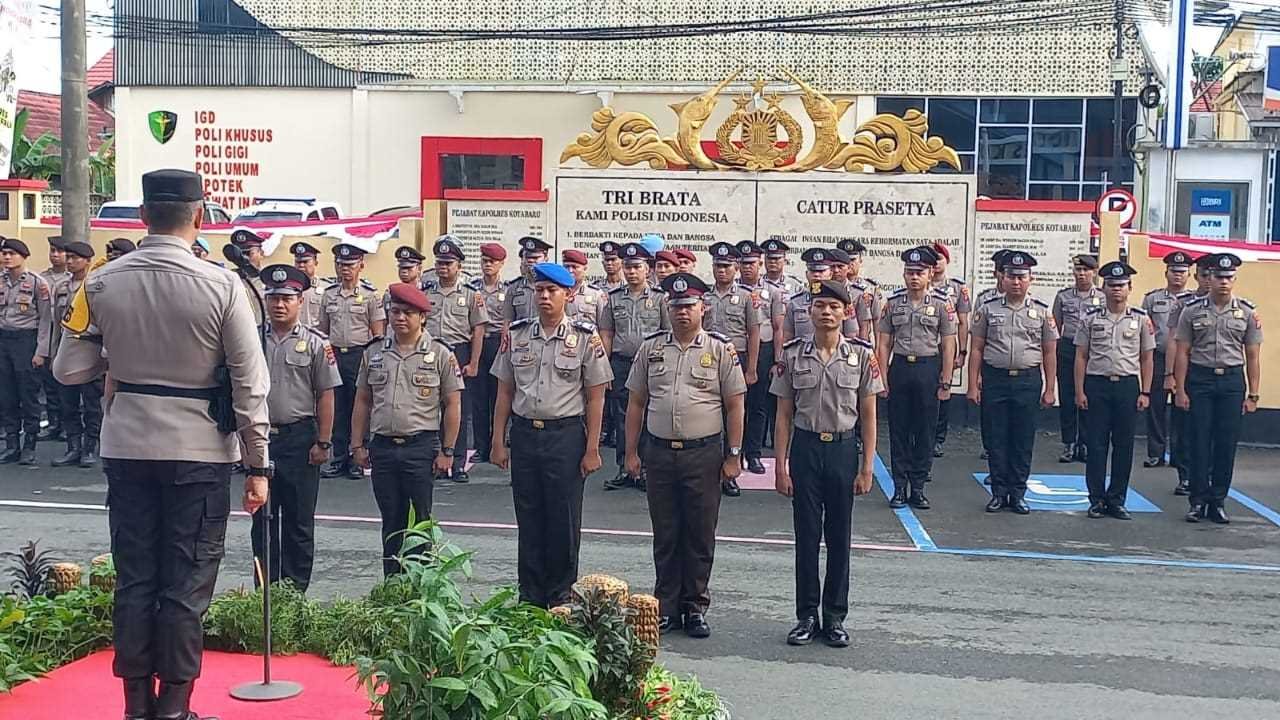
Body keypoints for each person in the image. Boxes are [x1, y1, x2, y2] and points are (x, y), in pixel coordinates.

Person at [53, 169, 270, 720]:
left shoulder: (100, 283)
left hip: (127, 445)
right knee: (186, 582)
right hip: (198, 450)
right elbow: (250, 383)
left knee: (135, 577)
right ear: (198, 217)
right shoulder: (222, 285)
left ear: (144, 217)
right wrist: (258, 464)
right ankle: (173, 707)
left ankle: (134, 706)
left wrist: (120, 357)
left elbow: (67, 368)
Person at [625, 272, 745, 638]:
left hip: (703, 454)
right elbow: (636, 402)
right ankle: (666, 605)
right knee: (665, 532)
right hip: (660, 454)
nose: (682, 312)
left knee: (699, 533)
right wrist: (631, 452)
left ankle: (694, 606)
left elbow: (735, 404)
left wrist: (734, 454)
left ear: (702, 308)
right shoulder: (651, 348)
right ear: (667, 307)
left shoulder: (720, 349)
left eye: (689, 306)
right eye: (676, 306)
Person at [491, 263, 611, 607]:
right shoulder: (516, 335)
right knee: (528, 516)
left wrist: (592, 449)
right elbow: (504, 391)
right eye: (539, 290)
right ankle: (530, 593)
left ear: (568, 295)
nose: (544, 296)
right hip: (527, 435)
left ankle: (561, 593)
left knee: (563, 518)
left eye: (552, 291)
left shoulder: (585, 338)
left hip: (566, 435)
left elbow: (595, 396)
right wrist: (498, 441)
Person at [772, 279, 881, 648]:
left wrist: (867, 467)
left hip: (842, 450)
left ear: (846, 312)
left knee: (839, 538)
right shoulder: (791, 355)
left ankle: (834, 618)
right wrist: (780, 465)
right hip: (805, 449)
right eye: (819, 305)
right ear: (809, 310)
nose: (826, 312)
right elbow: (783, 414)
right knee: (805, 537)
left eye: (834, 307)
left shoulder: (862, 355)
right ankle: (806, 616)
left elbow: (869, 416)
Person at [352, 283, 464, 575]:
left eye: (408, 313)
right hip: (383, 448)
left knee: (419, 522)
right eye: (395, 311)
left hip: (420, 447)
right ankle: (393, 585)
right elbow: (363, 400)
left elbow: (452, 404)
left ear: (422, 317)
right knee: (391, 520)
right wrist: (357, 445)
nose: (400, 318)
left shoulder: (440, 354)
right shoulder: (374, 352)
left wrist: (448, 450)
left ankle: (419, 585)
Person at [256, 264, 342, 590]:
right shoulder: (251, 339)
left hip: (299, 438)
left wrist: (323, 441)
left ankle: (294, 593)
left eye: (286, 298)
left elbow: (326, 395)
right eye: (274, 297)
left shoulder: (318, 344)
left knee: (298, 521)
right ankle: (264, 592)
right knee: (262, 521)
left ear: (300, 301)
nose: (279, 304)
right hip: (261, 438)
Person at [1174, 252, 1263, 525]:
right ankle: (1197, 501)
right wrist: (1180, 389)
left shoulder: (1247, 313)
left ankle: (1218, 501)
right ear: (1208, 278)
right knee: (1199, 441)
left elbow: (1253, 355)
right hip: (1200, 379)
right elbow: (1182, 352)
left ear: (1234, 280)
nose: (1224, 282)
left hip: (1231, 383)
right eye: (1219, 277)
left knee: (1225, 444)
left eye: (1229, 277)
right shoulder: (1192, 311)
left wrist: (1254, 395)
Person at [968, 251, 1058, 514]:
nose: (1016, 282)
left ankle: (1017, 493)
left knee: (1022, 439)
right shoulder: (988, 309)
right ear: (1002, 278)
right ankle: (998, 492)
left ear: (1031, 279)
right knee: (996, 437)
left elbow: (1050, 351)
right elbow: (976, 349)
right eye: (1011, 276)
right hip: (995, 379)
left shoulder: (1042, 312)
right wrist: (973, 384)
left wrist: (1050, 388)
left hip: (1028, 381)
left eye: (1021, 277)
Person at [876, 246, 956, 509]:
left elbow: (948, 343)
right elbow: (884, 343)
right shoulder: (893, 303)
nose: (914, 277)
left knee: (925, 430)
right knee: (899, 430)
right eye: (909, 272)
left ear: (930, 273)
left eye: (919, 272)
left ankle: (918, 487)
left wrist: (945, 380)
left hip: (927, 369)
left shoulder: (943, 304)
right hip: (900, 367)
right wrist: (883, 377)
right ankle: (899, 487)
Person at [1074, 261, 1154, 520]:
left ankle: (1117, 499)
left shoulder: (1141, 319)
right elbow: (1081, 356)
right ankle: (1096, 500)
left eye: (1121, 285)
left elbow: (1146, 358)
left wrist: (1146, 392)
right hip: (1097, 385)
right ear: (1103, 287)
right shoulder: (1090, 318)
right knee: (1096, 445)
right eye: (1111, 285)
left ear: (1129, 288)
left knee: (1124, 446)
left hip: (1127, 387)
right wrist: (1079, 391)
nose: (1116, 290)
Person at [599, 243, 668, 491]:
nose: (631, 272)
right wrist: (604, 366)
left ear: (647, 269)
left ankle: (647, 469)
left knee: (650, 415)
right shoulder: (614, 298)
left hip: (653, 364)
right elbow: (607, 333)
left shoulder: (660, 298)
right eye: (627, 267)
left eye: (636, 267)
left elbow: (667, 333)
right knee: (622, 416)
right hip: (621, 363)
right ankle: (624, 466)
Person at [423, 236, 489, 481]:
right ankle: (438, 462)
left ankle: (458, 462)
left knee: (458, 409)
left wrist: (473, 362)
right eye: (440, 262)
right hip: (431, 353)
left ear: (459, 266)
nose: (443, 267)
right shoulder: (426, 293)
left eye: (449, 263)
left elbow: (478, 330)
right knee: (431, 409)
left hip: (459, 352)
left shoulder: (471, 294)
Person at [319, 242, 385, 479]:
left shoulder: (369, 296)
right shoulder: (328, 295)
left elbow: (378, 334)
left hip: (359, 355)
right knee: (338, 407)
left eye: (350, 265)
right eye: (341, 265)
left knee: (360, 407)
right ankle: (339, 457)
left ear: (361, 266)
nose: (345, 269)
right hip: (336, 354)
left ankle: (357, 455)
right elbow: (323, 332)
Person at [702, 242, 760, 494]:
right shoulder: (703, 296)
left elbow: (754, 332)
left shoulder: (747, 296)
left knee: (734, 414)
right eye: (717, 266)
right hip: (708, 361)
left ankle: (731, 468)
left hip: (738, 359)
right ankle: (711, 469)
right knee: (710, 413)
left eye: (726, 266)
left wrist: (752, 369)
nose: (722, 270)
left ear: (736, 268)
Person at [49, 241, 103, 468]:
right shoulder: (61, 286)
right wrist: (52, 353)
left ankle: (90, 447)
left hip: (89, 347)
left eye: (75, 258)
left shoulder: (96, 285)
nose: (70, 262)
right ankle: (73, 447)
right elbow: (56, 323)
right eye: (68, 257)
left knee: (91, 403)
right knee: (67, 403)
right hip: (66, 346)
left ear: (88, 261)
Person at [0, 237, 53, 465]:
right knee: (6, 394)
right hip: (4, 339)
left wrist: (41, 351)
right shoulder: (0, 281)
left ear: (24, 256)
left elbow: (45, 320)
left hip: (26, 340)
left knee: (28, 394)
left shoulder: (36, 283)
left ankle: (29, 444)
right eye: (4, 253)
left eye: (12, 253)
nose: (7, 257)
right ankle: (11, 444)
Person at [736, 240, 784, 476]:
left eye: (752, 263)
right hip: (735, 351)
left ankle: (753, 453)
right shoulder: (733, 290)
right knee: (733, 405)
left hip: (763, 350)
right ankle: (732, 452)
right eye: (743, 263)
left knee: (758, 405)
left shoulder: (772, 292)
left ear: (760, 263)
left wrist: (777, 359)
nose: (747, 268)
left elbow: (778, 327)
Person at [1164, 259, 1212, 495]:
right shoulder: (1184, 304)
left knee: (1210, 427)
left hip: (1210, 371)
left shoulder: (1233, 306)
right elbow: (1174, 341)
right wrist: (1170, 374)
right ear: (1197, 277)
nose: (1209, 280)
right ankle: (1185, 476)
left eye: (1212, 275)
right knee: (1184, 425)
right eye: (1204, 275)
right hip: (1187, 370)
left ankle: (1207, 474)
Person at [1140, 251, 1190, 470]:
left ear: (1189, 275)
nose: (1177, 276)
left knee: (1182, 407)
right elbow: (1145, 328)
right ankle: (1156, 453)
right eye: (1174, 271)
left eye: (1182, 272)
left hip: (1185, 360)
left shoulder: (1194, 300)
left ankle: (1179, 454)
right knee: (1156, 407)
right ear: (1166, 273)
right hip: (1158, 358)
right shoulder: (1153, 299)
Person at [1052, 255, 1102, 463]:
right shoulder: (1063, 297)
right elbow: (1055, 327)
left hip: (1092, 351)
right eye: (1078, 270)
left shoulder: (1102, 297)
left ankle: (1085, 443)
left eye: (1086, 270)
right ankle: (1068, 444)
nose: (1081, 274)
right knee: (1068, 396)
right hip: (1068, 349)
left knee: (1089, 397)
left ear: (1094, 272)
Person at [929, 241, 970, 458]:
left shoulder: (957, 288)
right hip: (924, 348)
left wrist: (961, 352)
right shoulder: (920, 285)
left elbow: (963, 322)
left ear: (947, 261)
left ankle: (938, 438)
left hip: (946, 347)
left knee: (943, 391)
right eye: (932, 259)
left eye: (939, 259)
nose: (936, 264)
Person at [469, 243, 508, 464]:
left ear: (501, 264)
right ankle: (481, 446)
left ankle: (497, 442)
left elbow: (507, 320)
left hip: (497, 343)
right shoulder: (473, 287)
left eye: (492, 262)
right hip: (477, 343)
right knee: (479, 399)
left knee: (498, 397)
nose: (487, 265)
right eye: (484, 261)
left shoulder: (508, 289)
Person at [781, 248, 863, 345]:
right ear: (807, 274)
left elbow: (852, 336)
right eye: (813, 271)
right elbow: (787, 338)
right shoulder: (795, 302)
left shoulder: (842, 301)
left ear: (830, 274)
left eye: (821, 271)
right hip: (802, 357)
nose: (816, 275)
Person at [37, 236, 69, 443]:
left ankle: (68, 425)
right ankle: (54, 423)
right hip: (45, 334)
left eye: (59, 251)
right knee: (49, 385)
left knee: (65, 385)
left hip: (65, 336)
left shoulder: (72, 278)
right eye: (52, 251)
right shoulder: (41, 278)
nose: (55, 255)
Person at [501, 236, 552, 336]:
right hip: (521, 343)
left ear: (546, 258)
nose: (531, 261)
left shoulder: (554, 287)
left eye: (536, 258)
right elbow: (507, 321)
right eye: (527, 257)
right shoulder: (513, 288)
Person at [837, 239, 884, 342]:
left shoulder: (870, 288)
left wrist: (877, 351)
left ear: (860, 261)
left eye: (853, 260)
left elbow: (877, 320)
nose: (849, 264)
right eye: (845, 260)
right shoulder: (832, 288)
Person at [563, 249, 608, 327]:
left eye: (574, 267)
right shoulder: (557, 292)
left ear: (584, 269)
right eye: (566, 266)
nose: (570, 270)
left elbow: (604, 327)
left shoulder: (596, 294)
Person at [290, 240, 327, 328]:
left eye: (305, 262)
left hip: (316, 338)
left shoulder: (326, 289)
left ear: (315, 263)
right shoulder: (288, 288)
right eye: (298, 262)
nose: (301, 265)